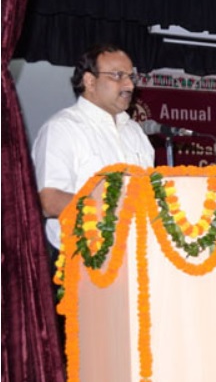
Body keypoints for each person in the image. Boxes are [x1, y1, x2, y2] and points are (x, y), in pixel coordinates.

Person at [32, 43, 155, 250]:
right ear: (90, 81)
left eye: (131, 77)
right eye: (118, 75)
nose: (129, 85)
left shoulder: (134, 132)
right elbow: (50, 201)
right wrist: (113, 209)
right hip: (80, 256)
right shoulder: (62, 128)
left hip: (136, 252)